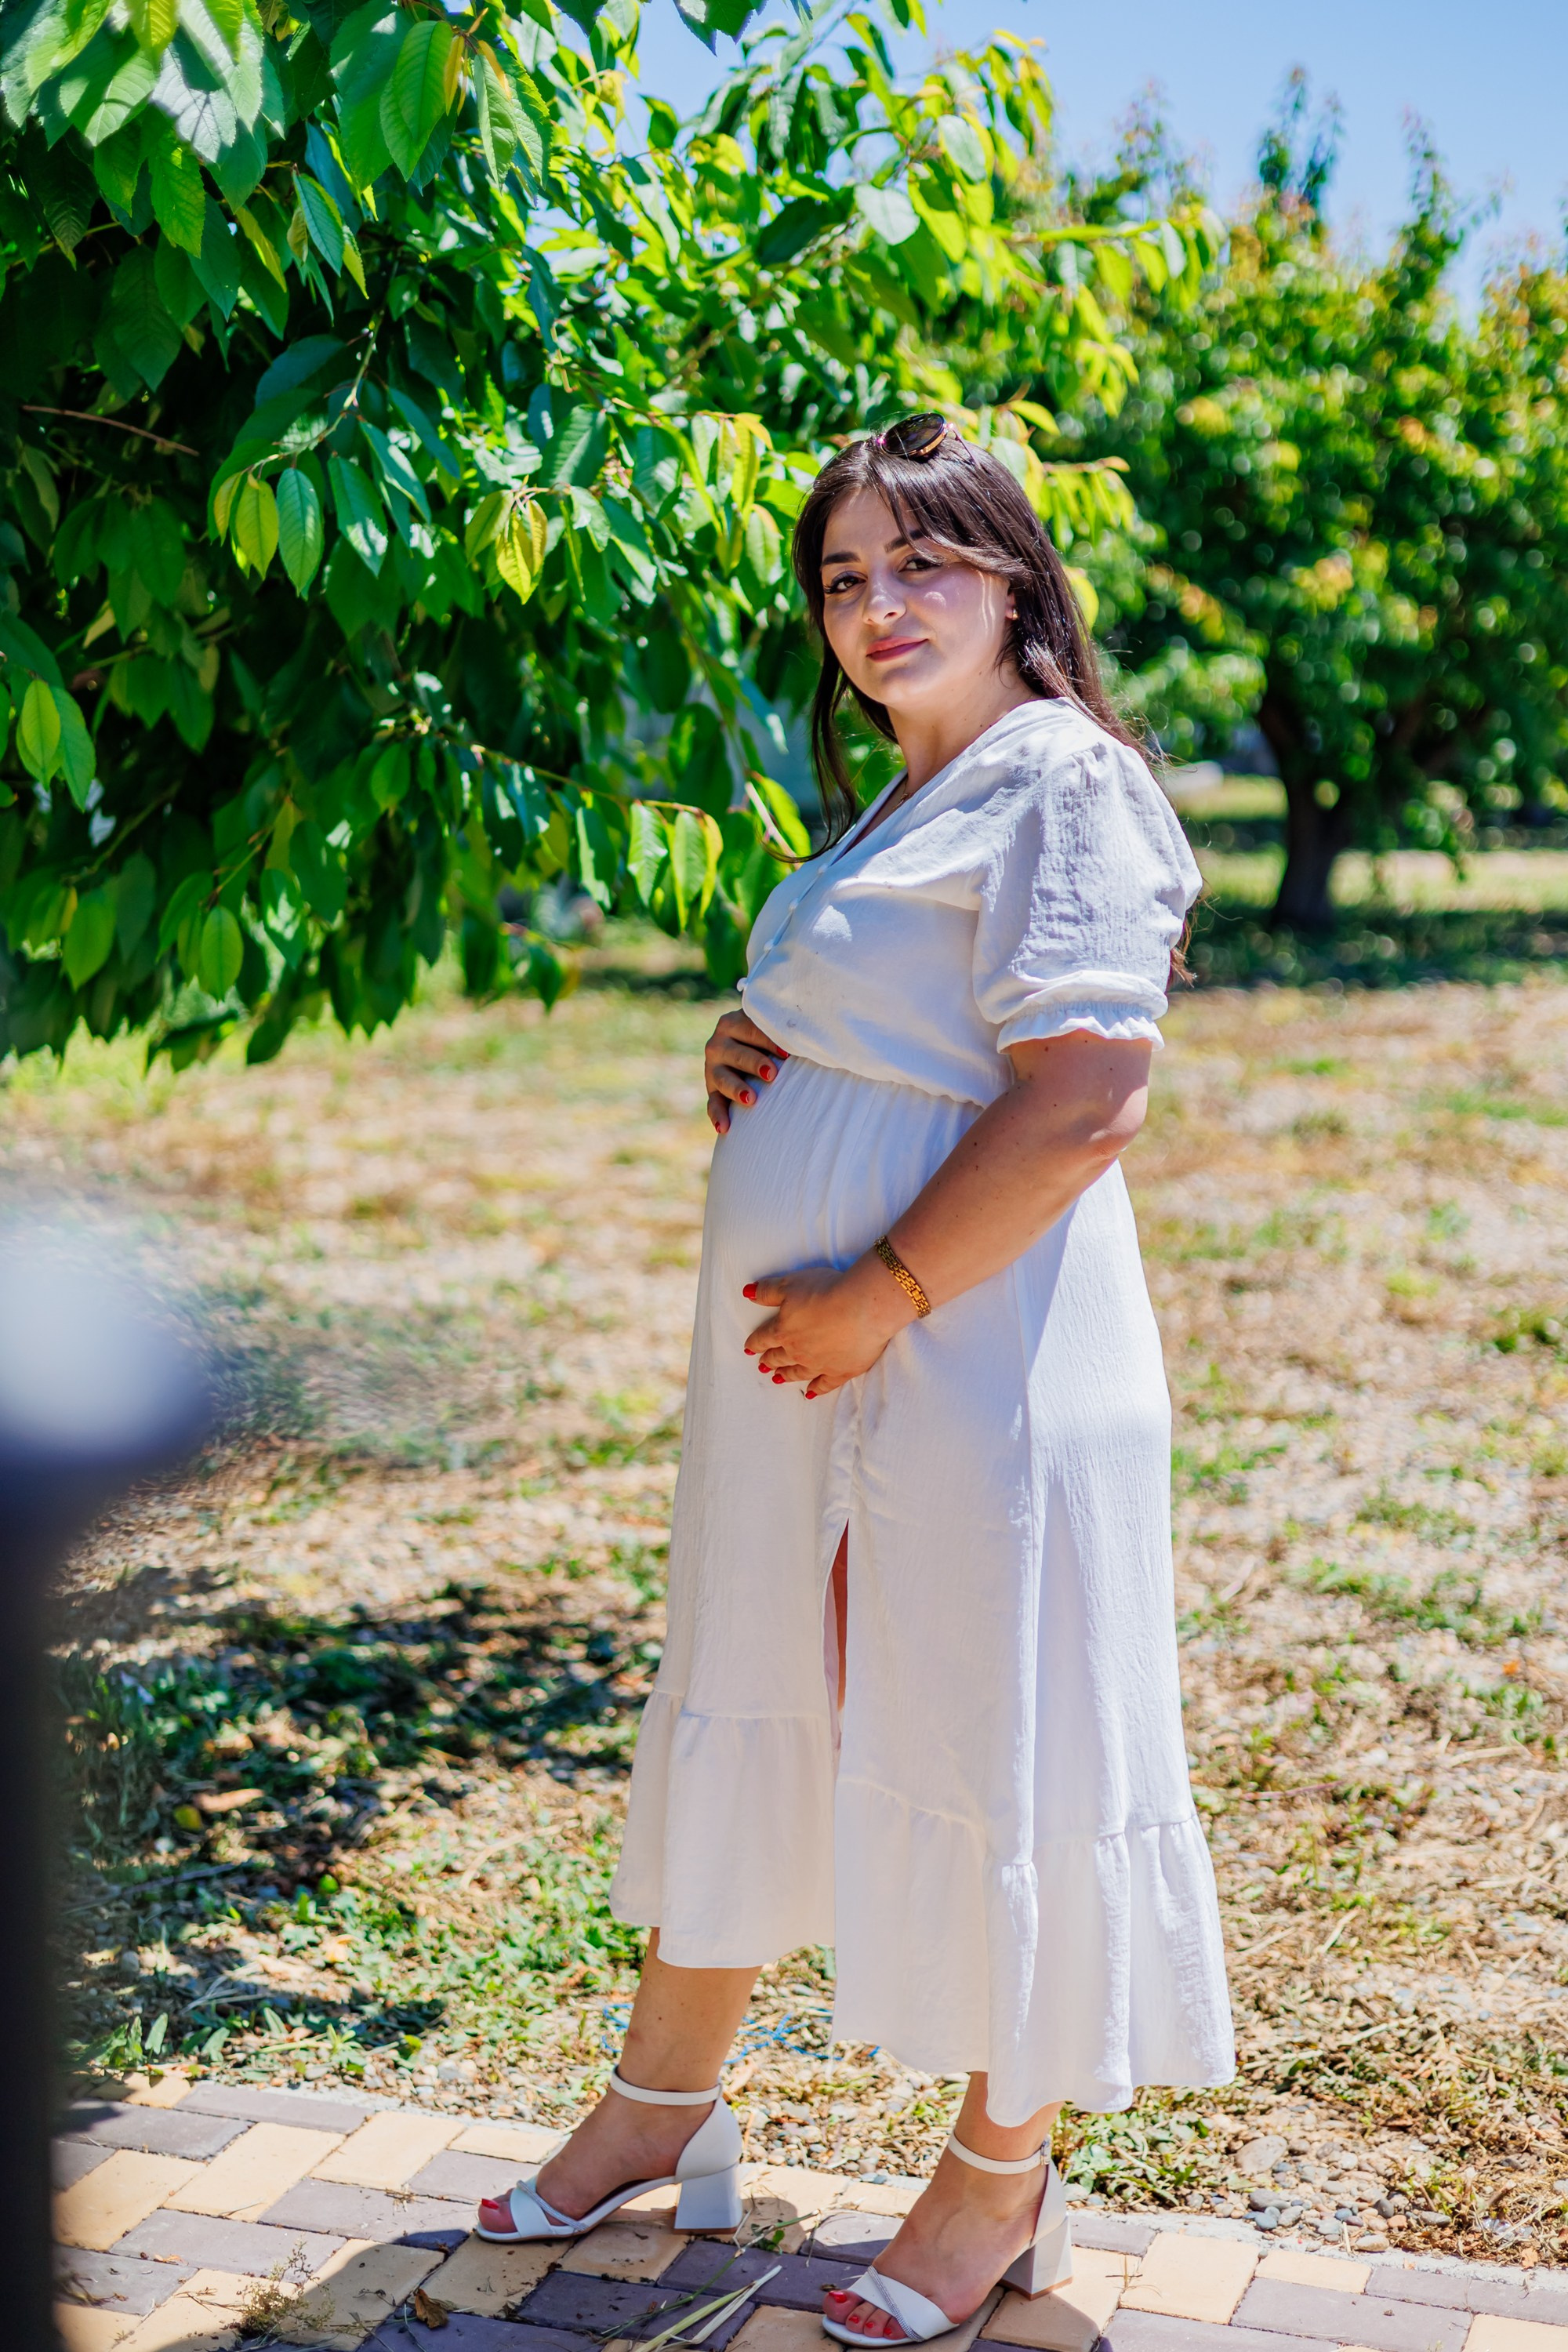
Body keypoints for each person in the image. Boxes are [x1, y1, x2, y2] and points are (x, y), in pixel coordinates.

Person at [474, 414, 1235, 2343]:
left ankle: (1002, 2174)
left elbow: (1084, 1097)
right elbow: (923, 1023)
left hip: (971, 1349)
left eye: (923, 566)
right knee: (765, 1683)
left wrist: (879, 1287)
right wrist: (768, 1046)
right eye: (842, 577)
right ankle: (661, 2102)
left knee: (1000, 1733)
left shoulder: (1063, 775)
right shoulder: (918, 792)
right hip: (817, 1368)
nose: (875, 608)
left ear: (1015, 584)